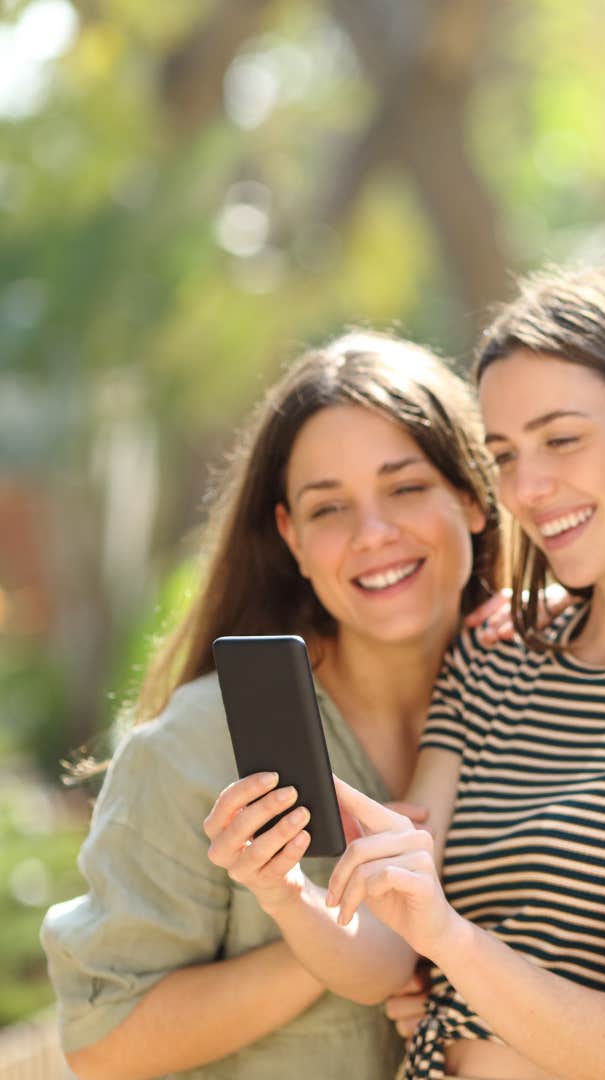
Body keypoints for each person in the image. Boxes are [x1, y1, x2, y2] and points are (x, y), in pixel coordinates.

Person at [201, 258, 605, 1080]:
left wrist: (451, 942)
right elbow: (388, 952)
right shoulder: (495, 657)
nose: (528, 488)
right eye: (502, 453)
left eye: (562, 439)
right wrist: (286, 890)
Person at [42, 332, 502, 1079]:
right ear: (290, 536)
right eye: (330, 509)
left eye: (406, 488)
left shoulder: (549, 700)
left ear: (474, 496)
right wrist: (362, 936)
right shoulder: (196, 747)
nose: (374, 535)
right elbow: (104, 1043)